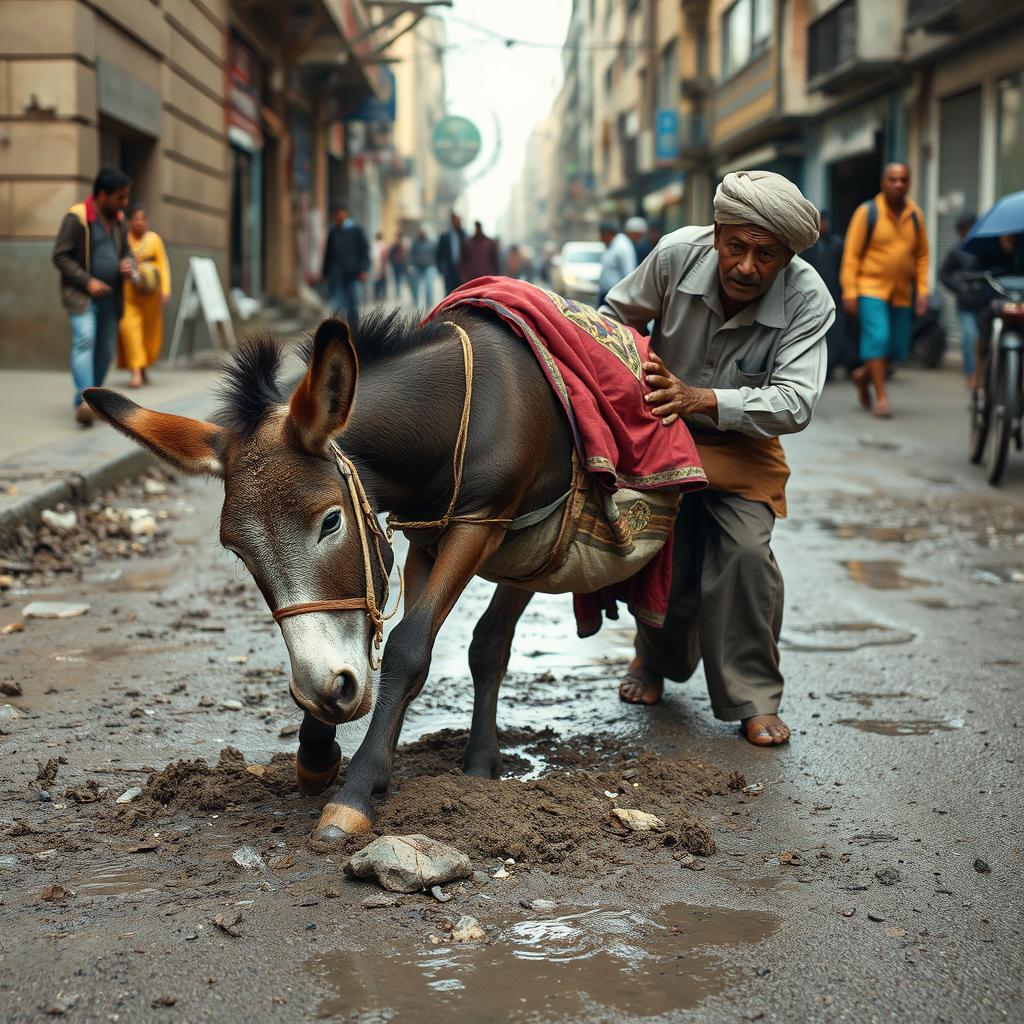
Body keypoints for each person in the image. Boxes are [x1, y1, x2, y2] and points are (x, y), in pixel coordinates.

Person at [600, 169, 833, 746]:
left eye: (766, 254)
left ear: (785, 257)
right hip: (661, 432)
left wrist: (700, 398)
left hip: (745, 448)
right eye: (736, 247)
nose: (747, 267)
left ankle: (753, 696)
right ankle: (652, 662)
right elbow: (614, 317)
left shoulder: (809, 298)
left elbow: (796, 402)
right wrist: (634, 372)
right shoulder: (675, 255)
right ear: (716, 234)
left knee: (747, 556)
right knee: (662, 554)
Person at [840, 162, 930, 418]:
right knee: (878, 338)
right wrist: (850, 291)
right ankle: (881, 397)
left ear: (909, 183)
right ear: (883, 183)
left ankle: (863, 375)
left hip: (902, 291)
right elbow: (852, 256)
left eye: (903, 179)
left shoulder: (915, 215)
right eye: (893, 179)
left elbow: (922, 255)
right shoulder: (867, 212)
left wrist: (922, 290)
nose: (899, 184)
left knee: (897, 348)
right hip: (871, 288)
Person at [52, 167, 133, 426]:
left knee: (105, 352)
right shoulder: (77, 218)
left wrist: (128, 263)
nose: (125, 203)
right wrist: (87, 281)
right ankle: (83, 401)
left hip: (111, 297)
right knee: (85, 340)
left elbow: (127, 252)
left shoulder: (119, 220)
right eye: (120, 197)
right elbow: (60, 255)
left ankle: (93, 400)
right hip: (82, 296)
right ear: (102, 195)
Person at [116, 204, 171, 388]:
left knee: (149, 335)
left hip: (151, 297)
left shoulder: (154, 239)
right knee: (130, 330)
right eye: (136, 219)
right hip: (129, 294)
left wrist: (165, 290)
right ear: (130, 221)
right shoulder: (124, 239)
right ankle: (136, 372)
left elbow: (163, 264)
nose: (139, 222)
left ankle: (143, 366)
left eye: (143, 219)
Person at [802, 210, 851, 378]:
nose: (822, 226)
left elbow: (845, 270)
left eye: (824, 222)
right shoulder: (807, 245)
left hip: (834, 296)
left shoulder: (837, 244)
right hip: (812, 297)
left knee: (834, 334)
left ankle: (829, 367)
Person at [939, 212, 983, 384]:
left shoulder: (985, 249)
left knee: (984, 338)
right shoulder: (956, 251)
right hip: (966, 303)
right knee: (969, 337)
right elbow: (943, 274)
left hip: (985, 301)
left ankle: (983, 371)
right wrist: (959, 287)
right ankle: (971, 373)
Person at [322, 204, 369, 325]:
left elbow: (364, 250)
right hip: (336, 275)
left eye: (341, 212)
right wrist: (325, 273)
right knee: (337, 306)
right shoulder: (332, 232)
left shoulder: (356, 230)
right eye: (336, 213)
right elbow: (328, 253)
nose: (339, 215)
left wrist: (363, 269)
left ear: (346, 213)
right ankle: (339, 334)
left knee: (352, 307)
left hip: (353, 274)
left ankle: (354, 333)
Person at [597, 219, 637, 306]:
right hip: (607, 295)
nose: (600, 238)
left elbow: (628, 273)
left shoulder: (622, 246)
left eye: (601, 235)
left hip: (614, 297)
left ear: (608, 233)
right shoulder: (612, 244)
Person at [436, 211, 466, 295]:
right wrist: (441, 269)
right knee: (449, 294)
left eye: (458, 220)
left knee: (460, 294)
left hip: (462, 272)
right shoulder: (445, 235)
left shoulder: (465, 235)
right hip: (448, 270)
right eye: (455, 219)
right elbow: (439, 254)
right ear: (452, 221)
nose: (457, 221)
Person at [409, 229, 436, 307]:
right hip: (417, 267)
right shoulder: (415, 243)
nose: (423, 234)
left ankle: (429, 303)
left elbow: (435, 255)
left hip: (429, 267)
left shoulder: (432, 243)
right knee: (415, 285)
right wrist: (410, 265)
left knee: (429, 286)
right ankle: (415, 301)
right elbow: (411, 255)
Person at [388, 235, 409, 302]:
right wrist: (393, 261)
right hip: (396, 265)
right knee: (397, 280)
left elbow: (406, 255)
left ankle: (400, 293)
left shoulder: (403, 246)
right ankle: (398, 294)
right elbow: (390, 255)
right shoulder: (394, 246)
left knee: (401, 279)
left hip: (402, 265)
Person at [370, 231, 389, 303]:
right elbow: (385, 257)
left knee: (376, 282)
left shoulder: (373, 245)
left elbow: (371, 257)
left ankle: (376, 296)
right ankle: (382, 296)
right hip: (382, 267)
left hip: (375, 267)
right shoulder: (383, 245)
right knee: (382, 283)